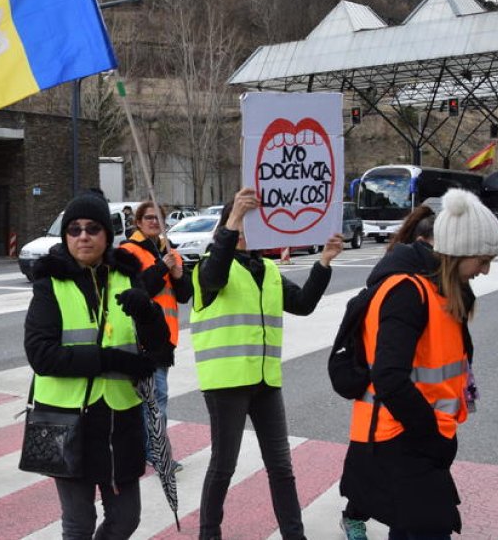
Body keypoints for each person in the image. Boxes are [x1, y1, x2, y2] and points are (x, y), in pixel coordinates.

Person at [339, 188, 498, 539]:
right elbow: (389, 377)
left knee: (416, 528)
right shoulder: (408, 292)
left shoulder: (437, 290)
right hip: (399, 437)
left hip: (415, 435)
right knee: (429, 529)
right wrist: (432, 436)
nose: (485, 270)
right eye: (482, 259)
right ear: (457, 252)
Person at [193, 187, 343, 540]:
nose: (248, 231)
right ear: (227, 226)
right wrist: (233, 219)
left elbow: (304, 304)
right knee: (224, 466)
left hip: (264, 381)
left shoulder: (268, 270)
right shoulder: (210, 267)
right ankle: (208, 534)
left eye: (252, 223)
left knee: (281, 465)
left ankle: (295, 534)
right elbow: (215, 275)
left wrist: (324, 261)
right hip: (226, 381)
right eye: (242, 224)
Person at [25, 193, 171, 539]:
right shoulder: (49, 284)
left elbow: (161, 350)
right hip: (65, 418)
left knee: (126, 518)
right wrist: (109, 360)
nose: (83, 236)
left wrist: (149, 314)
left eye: (92, 228)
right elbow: (41, 356)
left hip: (119, 419)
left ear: (106, 234)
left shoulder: (128, 276)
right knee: (78, 523)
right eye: (73, 230)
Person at [342, 201, 437, 540]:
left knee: (390, 481)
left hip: (405, 400)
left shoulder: (421, 277)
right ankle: (353, 517)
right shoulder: (400, 284)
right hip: (382, 400)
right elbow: (387, 365)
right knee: (368, 472)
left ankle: (362, 515)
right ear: (428, 243)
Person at [120, 201, 190, 468]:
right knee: (156, 396)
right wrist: (162, 268)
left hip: (165, 338)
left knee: (150, 397)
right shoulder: (129, 251)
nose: (153, 222)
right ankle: (157, 452)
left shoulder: (170, 251)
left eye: (158, 218)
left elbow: (184, 295)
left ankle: (144, 448)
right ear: (138, 222)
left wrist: (178, 273)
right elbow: (138, 291)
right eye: (148, 218)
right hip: (143, 334)